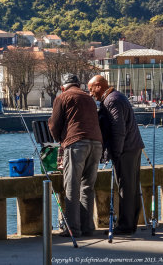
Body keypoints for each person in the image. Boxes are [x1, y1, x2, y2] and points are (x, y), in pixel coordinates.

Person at [88, 75, 145, 235]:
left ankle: (125, 226)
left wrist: (116, 153)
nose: (91, 94)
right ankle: (130, 223)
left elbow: (118, 130)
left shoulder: (111, 100)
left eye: (92, 89)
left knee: (125, 187)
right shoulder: (117, 96)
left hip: (126, 149)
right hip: (133, 146)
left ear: (99, 86)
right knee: (132, 187)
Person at [48, 73, 103, 237]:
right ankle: (87, 227)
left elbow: (54, 124)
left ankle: (72, 228)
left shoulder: (62, 97)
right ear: (78, 85)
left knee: (71, 186)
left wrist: (59, 139)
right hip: (96, 144)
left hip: (76, 143)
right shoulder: (89, 98)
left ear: (62, 87)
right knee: (88, 187)